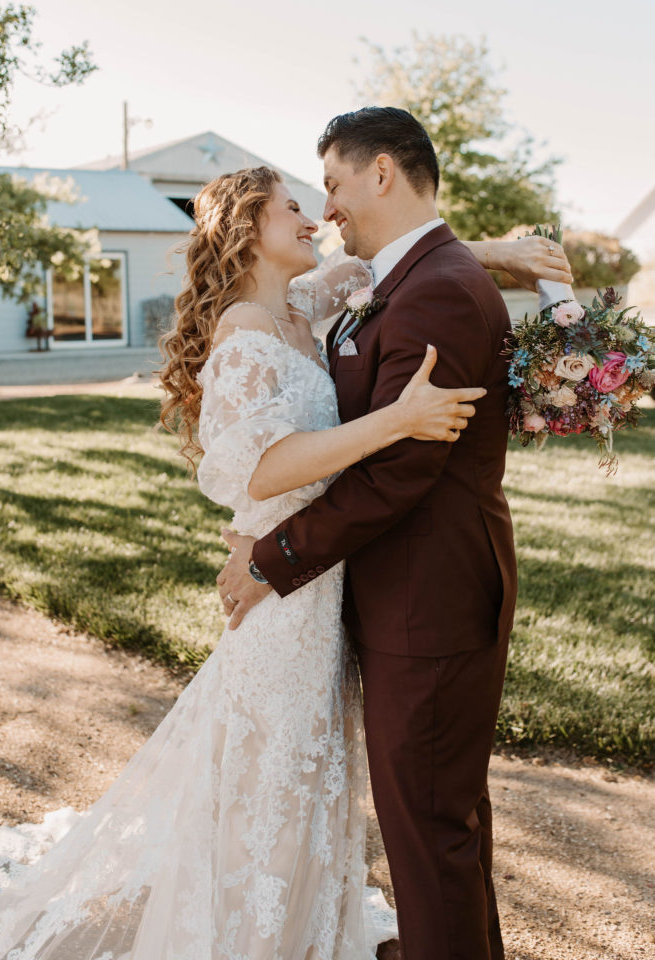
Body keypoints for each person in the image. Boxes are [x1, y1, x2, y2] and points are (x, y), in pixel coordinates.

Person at [0, 164, 512, 959]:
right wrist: (395, 421)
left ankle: (302, 934)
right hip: (283, 600)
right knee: (271, 790)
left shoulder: (303, 304)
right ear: (246, 229)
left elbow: (392, 258)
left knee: (311, 783)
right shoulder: (243, 334)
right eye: (293, 207)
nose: (312, 217)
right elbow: (259, 468)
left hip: (323, 585)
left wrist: (503, 253)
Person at [216, 108, 572, 960]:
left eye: (333, 185)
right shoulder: (408, 276)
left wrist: (273, 559)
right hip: (410, 593)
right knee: (437, 816)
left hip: (431, 598)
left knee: (428, 822)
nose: (327, 210)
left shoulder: (438, 288)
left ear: (381, 173)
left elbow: (397, 475)